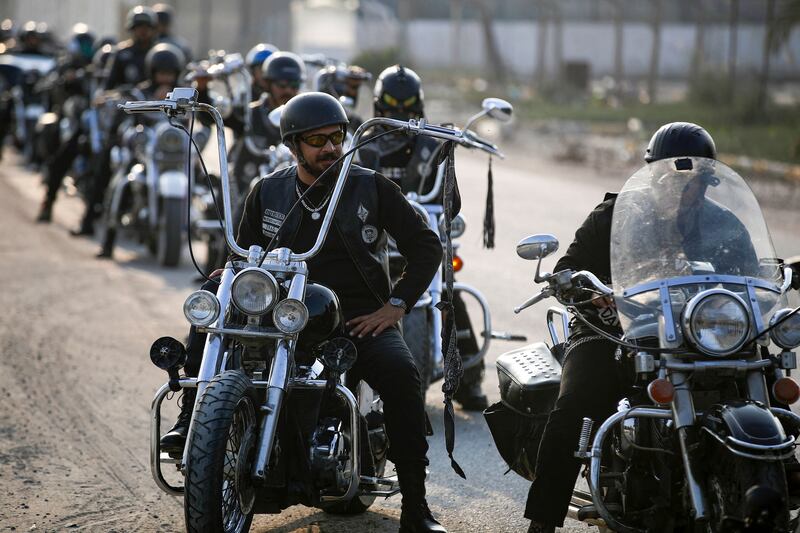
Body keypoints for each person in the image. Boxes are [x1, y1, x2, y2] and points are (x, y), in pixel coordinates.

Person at [161, 92, 447, 532]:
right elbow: (240, 250)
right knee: (214, 296)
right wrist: (230, 272)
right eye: (317, 140)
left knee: (402, 374)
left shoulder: (371, 187)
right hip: (280, 314)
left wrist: (395, 306)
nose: (330, 148)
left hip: (355, 317)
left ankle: (416, 504)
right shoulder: (269, 190)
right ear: (293, 146)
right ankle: (188, 421)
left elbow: (427, 248)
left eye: (337, 137)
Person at [524, 122, 723, 533]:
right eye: (674, 177)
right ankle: (542, 522)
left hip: (691, 335)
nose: (683, 189)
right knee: (575, 407)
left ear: (707, 181)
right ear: (654, 174)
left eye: (695, 180)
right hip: (610, 329)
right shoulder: (614, 216)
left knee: (750, 378)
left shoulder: (722, 225)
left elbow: (749, 273)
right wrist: (587, 290)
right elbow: (567, 270)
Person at [359, 64, 488, 411]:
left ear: (419, 108)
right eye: (391, 110)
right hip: (372, 236)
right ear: (377, 108)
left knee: (450, 291)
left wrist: (452, 149)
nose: (400, 117)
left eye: (407, 110)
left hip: (418, 231)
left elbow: (452, 201)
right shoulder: (362, 143)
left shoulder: (433, 145)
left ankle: (467, 379)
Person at [96, 42, 186, 259]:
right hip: (146, 147)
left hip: (175, 148)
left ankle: (216, 248)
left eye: (170, 74)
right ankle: (108, 241)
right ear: (152, 72)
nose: (166, 78)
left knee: (207, 181)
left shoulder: (183, 93)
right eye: (162, 73)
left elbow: (202, 108)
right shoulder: (140, 92)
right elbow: (122, 103)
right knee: (120, 179)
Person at [35, 23, 96, 223]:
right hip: (74, 121)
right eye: (83, 44)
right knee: (62, 158)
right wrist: (67, 78)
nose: (86, 48)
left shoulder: (97, 67)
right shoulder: (66, 65)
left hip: (95, 123)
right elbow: (54, 85)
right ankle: (48, 202)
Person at [103, 5, 157, 90]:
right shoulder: (121, 53)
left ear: (153, 28)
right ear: (132, 28)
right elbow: (109, 86)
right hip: (127, 100)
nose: (143, 30)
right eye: (139, 26)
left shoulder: (159, 52)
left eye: (147, 26)